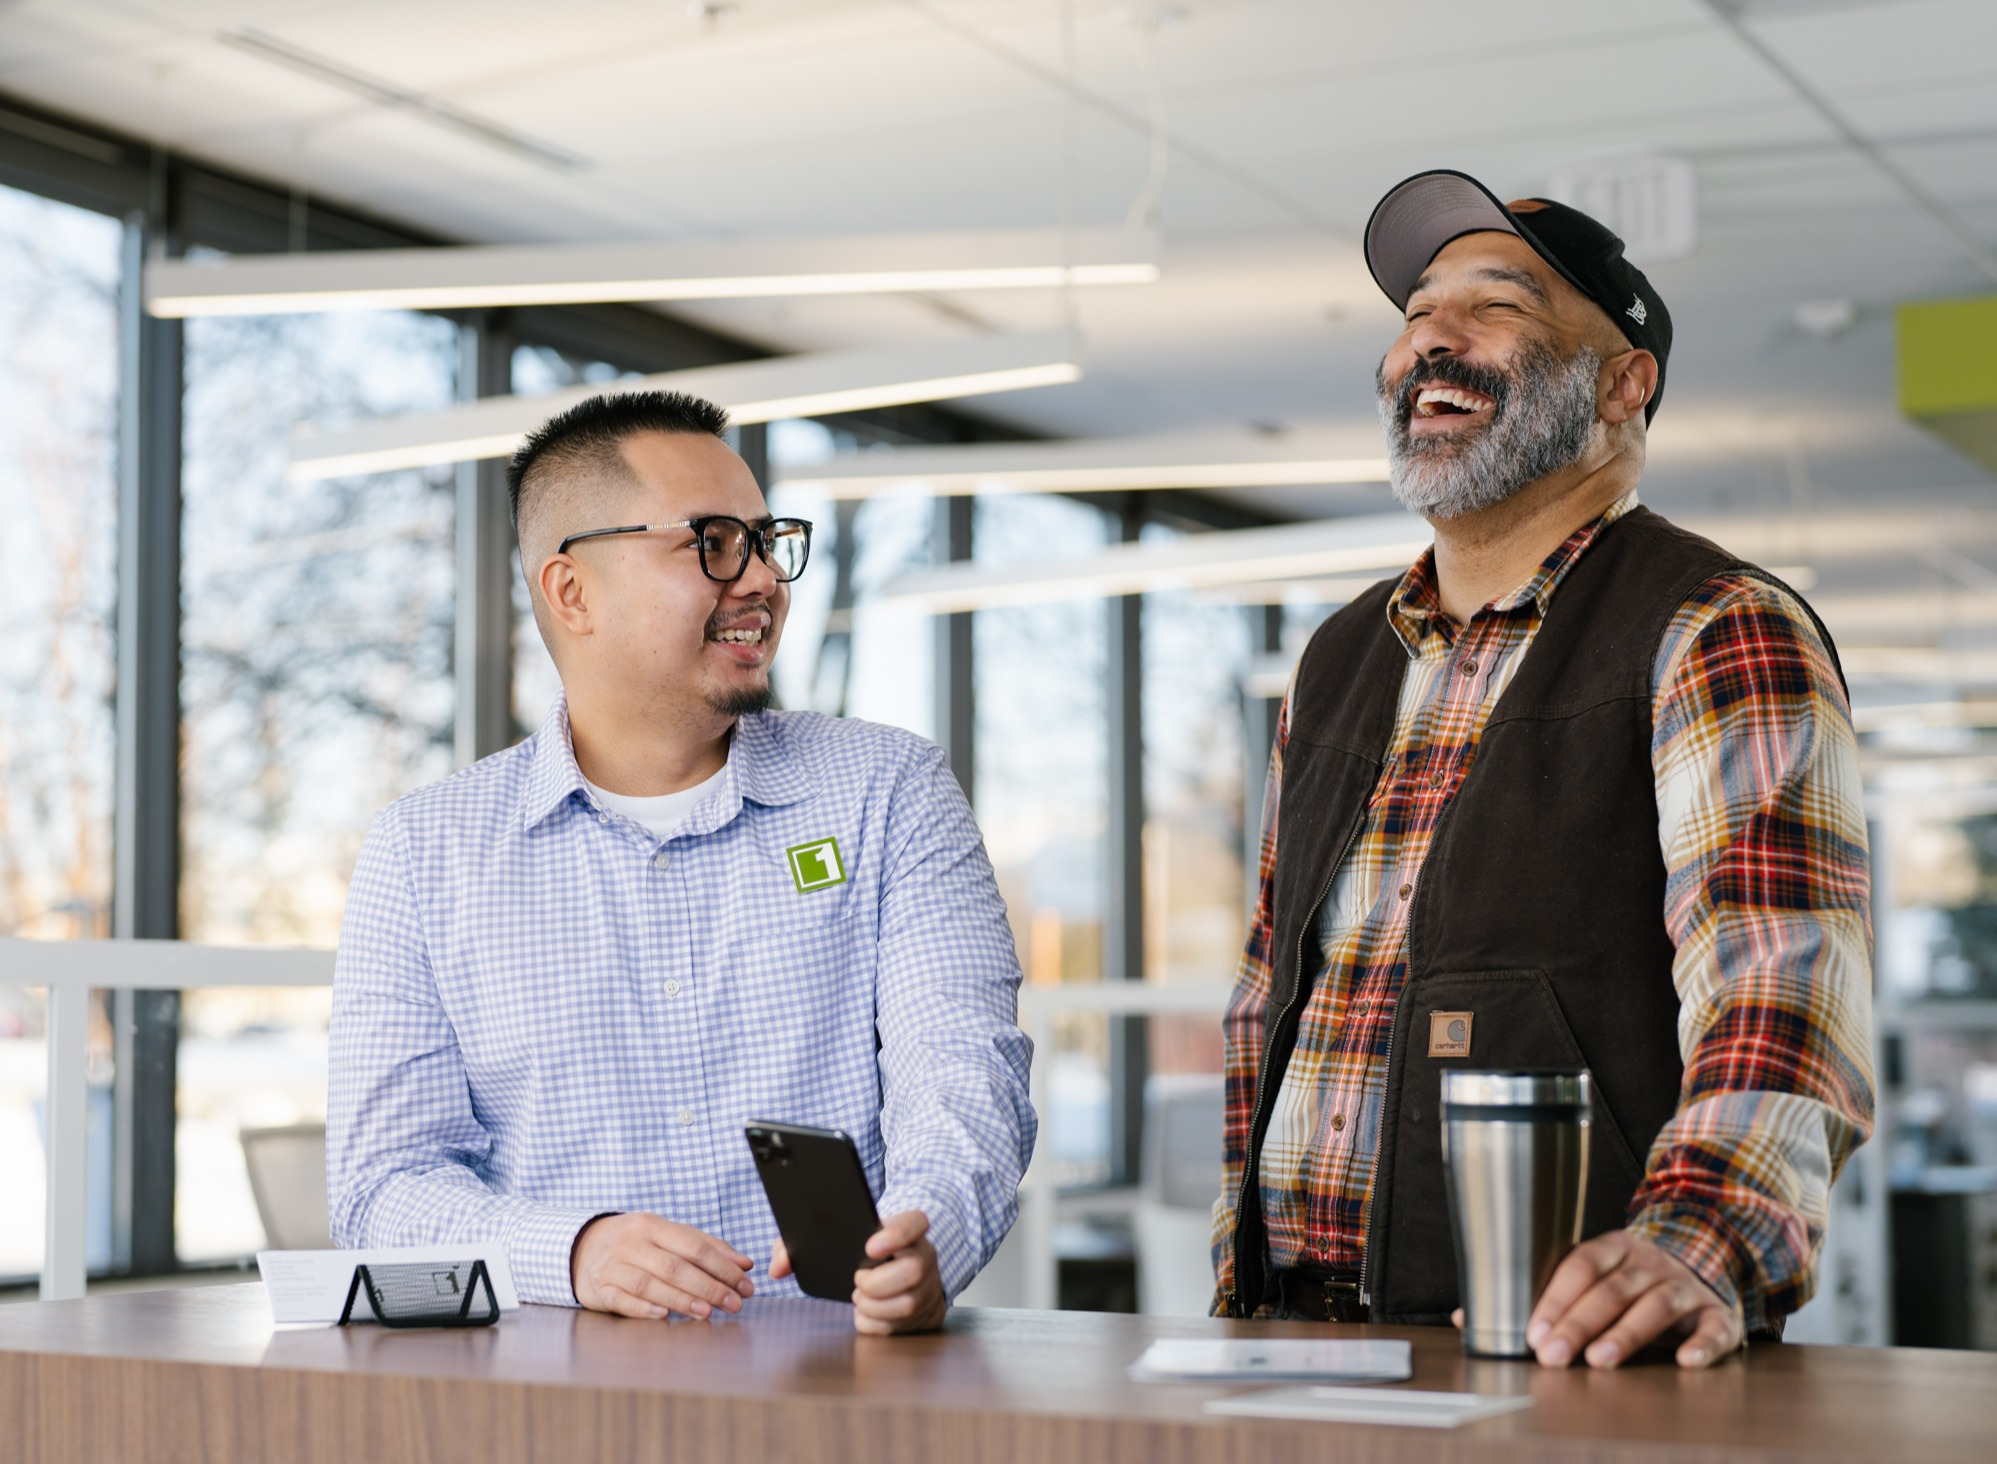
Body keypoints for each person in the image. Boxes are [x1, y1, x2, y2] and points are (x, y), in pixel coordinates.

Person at [1210, 170, 1874, 1370]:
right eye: (1415, 310)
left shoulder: (1711, 626)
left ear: (1623, 383)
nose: (1431, 339)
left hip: (1572, 1352)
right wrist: (1235, 1277)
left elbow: (1779, 987)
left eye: (1496, 304)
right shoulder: (1338, 655)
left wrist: (1700, 1237)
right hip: (1290, 1340)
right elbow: (1270, 996)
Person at [328, 390, 1035, 1335]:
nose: (761, 581)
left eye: (765, 540)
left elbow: (962, 1076)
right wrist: (575, 1251)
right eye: (711, 543)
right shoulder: (425, 853)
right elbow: (383, 1188)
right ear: (571, 591)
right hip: (551, 1406)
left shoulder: (887, 792)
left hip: (835, 1392)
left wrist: (931, 1230)